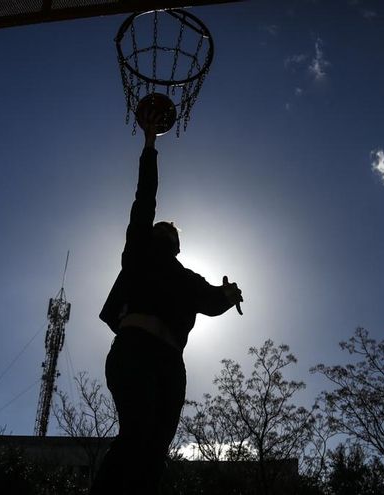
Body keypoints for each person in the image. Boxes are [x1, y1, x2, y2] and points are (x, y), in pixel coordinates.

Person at [91, 108, 244, 495]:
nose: (165, 230)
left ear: (177, 245)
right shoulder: (138, 252)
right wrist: (149, 145)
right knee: (136, 434)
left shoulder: (187, 278)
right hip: (134, 351)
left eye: (170, 231)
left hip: (170, 363)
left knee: (156, 451)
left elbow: (212, 302)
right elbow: (145, 197)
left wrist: (229, 295)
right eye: (161, 227)